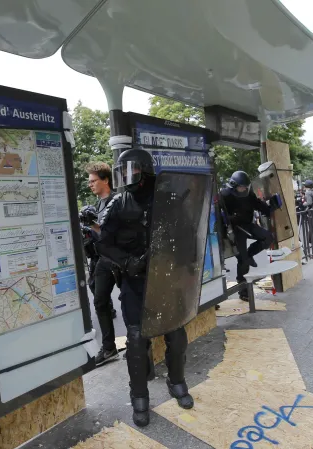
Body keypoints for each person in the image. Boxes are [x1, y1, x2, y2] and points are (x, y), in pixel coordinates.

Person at [96, 148, 193, 427]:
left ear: (146, 171)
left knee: (176, 333)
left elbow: (187, 232)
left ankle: (177, 382)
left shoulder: (170, 198)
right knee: (137, 340)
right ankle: (139, 395)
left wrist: (179, 262)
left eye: (133, 171)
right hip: (135, 281)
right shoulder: (118, 204)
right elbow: (103, 242)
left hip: (166, 277)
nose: (128, 178)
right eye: (123, 172)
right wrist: (128, 263)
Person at [82, 161, 120, 366]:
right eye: (89, 181)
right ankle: (109, 348)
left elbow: (109, 234)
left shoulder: (117, 201)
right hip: (103, 259)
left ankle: (142, 344)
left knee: (132, 302)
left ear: (105, 180)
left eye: (94, 181)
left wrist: (92, 224)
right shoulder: (99, 204)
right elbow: (98, 233)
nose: (90, 185)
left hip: (118, 259)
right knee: (100, 302)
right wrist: (87, 231)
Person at [219, 171, 275, 300]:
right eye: (241, 187)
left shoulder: (248, 193)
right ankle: (243, 291)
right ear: (233, 185)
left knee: (268, 237)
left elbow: (257, 204)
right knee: (243, 262)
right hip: (235, 229)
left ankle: (249, 255)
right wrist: (230, 221)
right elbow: (219, 215)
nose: (244, 189)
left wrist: (269, 208)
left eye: (245, 186)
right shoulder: (225, 195)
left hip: (248, 224)